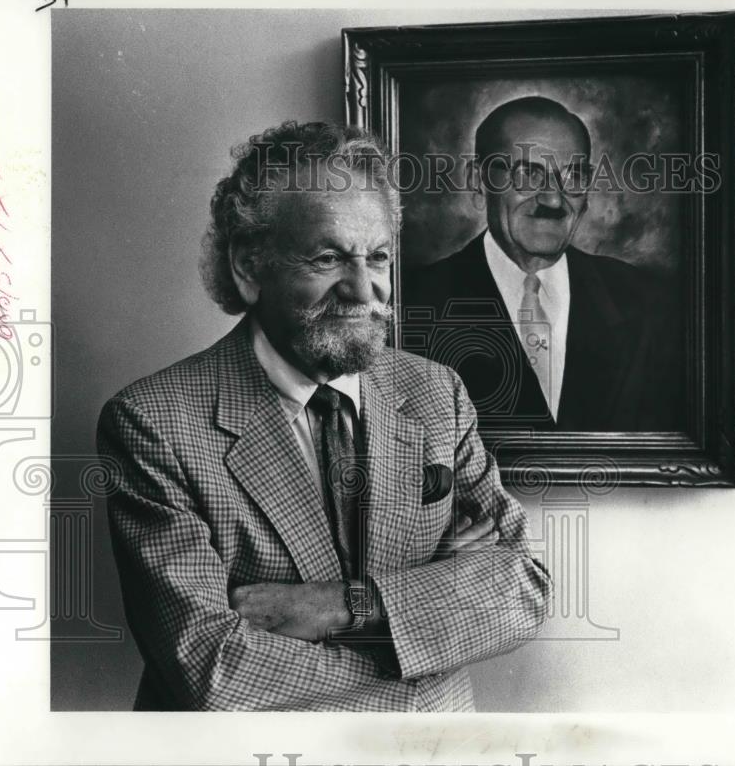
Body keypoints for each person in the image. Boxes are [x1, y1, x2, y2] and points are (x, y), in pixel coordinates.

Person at [97, 121, 551, 712]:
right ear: (249, 266)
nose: (364, 290)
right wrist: (429, 618)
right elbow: (215, 668)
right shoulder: (151, 422)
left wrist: (340, 606)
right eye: (328, 256)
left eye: (379, 257)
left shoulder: (437, 392)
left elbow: (522, 590)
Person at [402, 96, 684, 432]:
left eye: (572, 176)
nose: (552, 199)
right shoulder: (412, 304)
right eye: (527, 175)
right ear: (479, 180)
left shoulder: (647, 303)